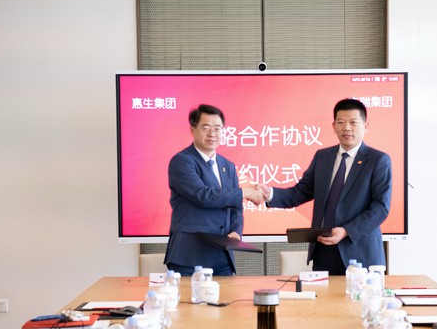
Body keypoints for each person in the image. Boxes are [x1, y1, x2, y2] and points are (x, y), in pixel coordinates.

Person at [259, 98, 391, 275]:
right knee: (322, 294)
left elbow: (380, 208)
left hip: (360, 252)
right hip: (324, 249)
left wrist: (346, 231)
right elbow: (300, 192)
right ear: (334, 126)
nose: (347, 128)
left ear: (365, 126)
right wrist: (270, 194)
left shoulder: (378, 160)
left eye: (353, 122)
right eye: (341, 122)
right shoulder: (323, 157)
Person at [164, 104, 264, 276]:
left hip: (222, 256)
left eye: (217, 128)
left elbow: (236, 207)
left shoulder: (228, 166)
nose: (212, 133)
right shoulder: (182, 161)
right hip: (189, 255)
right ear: (192, 130)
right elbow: (204, 196)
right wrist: (246, 192)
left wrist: (236, 231)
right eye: (206, 128)